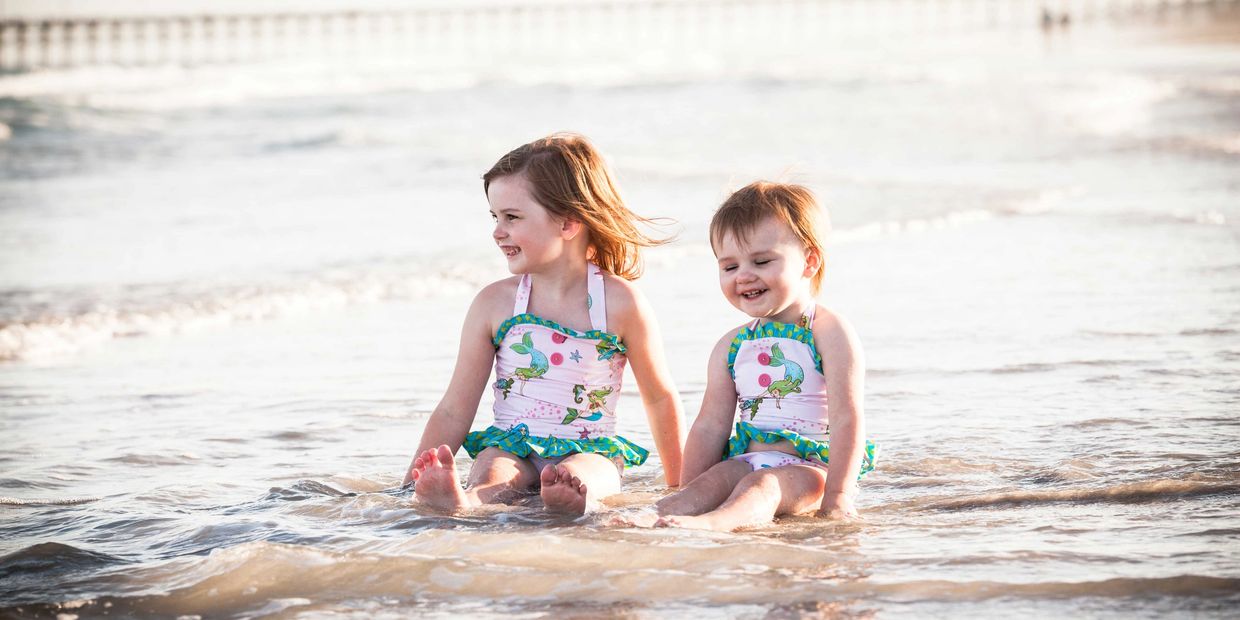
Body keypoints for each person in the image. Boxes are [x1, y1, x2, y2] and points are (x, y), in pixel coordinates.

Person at [402, 133, 685, 516]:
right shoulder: (495, 304)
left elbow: (659, 398)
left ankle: (569, 501)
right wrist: (409, 484)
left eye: (512, 218)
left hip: (589, 447)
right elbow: (455, 408)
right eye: (495, 217)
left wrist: (680, 485)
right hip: (511, 444)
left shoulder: (619, 303)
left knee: (586, 475)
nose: (497, 232)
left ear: (568, 222)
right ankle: (462, 499)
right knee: (492, 474)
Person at [632, 181, 876, 531]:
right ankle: (654, 514)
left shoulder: (827, 332)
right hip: (748, 458)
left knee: (760, 487)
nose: (744, 275)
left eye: (761, 261)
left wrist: (838, 496)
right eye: (729, 267)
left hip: (809, 470)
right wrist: (689, 489)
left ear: (809, 261)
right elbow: (710, 425)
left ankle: (716, 523)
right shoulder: (733, 345)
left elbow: (846, 420)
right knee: (713, 481)